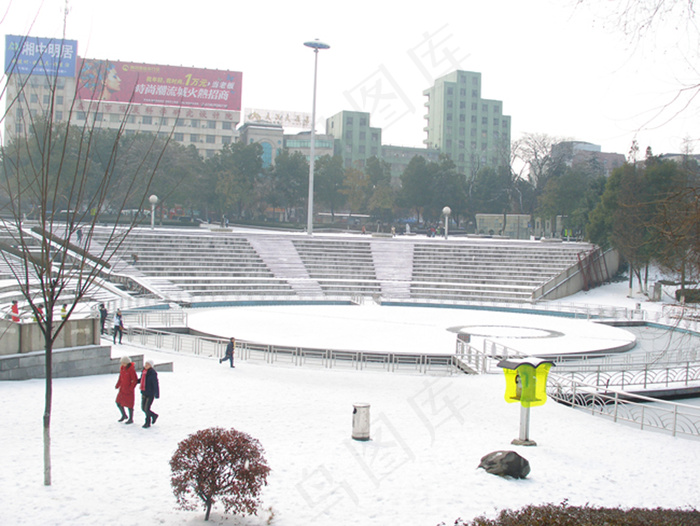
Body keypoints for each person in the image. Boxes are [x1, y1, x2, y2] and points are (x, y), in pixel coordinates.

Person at [115, 356, 138, 424]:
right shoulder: (122, 368)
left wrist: (130, 389)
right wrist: (118, 385)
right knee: (118, 402)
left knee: (129, 404)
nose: (122, 364)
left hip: (128, 390)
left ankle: (131, 418)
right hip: (122, 389)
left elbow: (134, 380)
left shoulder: (131, 370)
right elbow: (120, 377)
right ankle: (124, 415)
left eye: (123, 363)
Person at [138, 360, 159, 428]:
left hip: (150, 393)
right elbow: (142, 380)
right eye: (145, 364)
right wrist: (135, 381)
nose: (146, 365)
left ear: (151, 366)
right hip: (144, 392)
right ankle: (154, 415)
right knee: (143, 408)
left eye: (148, 364)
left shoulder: (152, 373)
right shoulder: (144, 372)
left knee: (147, 408)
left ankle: (147, 422)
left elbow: (155, 384)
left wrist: (157, 393)